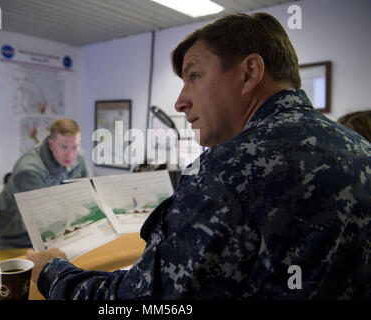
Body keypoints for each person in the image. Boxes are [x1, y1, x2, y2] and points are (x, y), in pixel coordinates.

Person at [26, 13, 370, 299]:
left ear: (249, 73)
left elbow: (143, 303)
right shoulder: (360, 149)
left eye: (194, 76)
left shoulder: (224, 170)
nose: (180, 101)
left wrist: (52, 271)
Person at [0, 118, 93, 249]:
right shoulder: (29, 170)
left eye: (75, 146)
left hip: (50, 233)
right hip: (13, 239)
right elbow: (41, 219)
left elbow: (90, 191)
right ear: (51, 144)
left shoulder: (77, 157)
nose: (70, 154)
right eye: (64, 147)